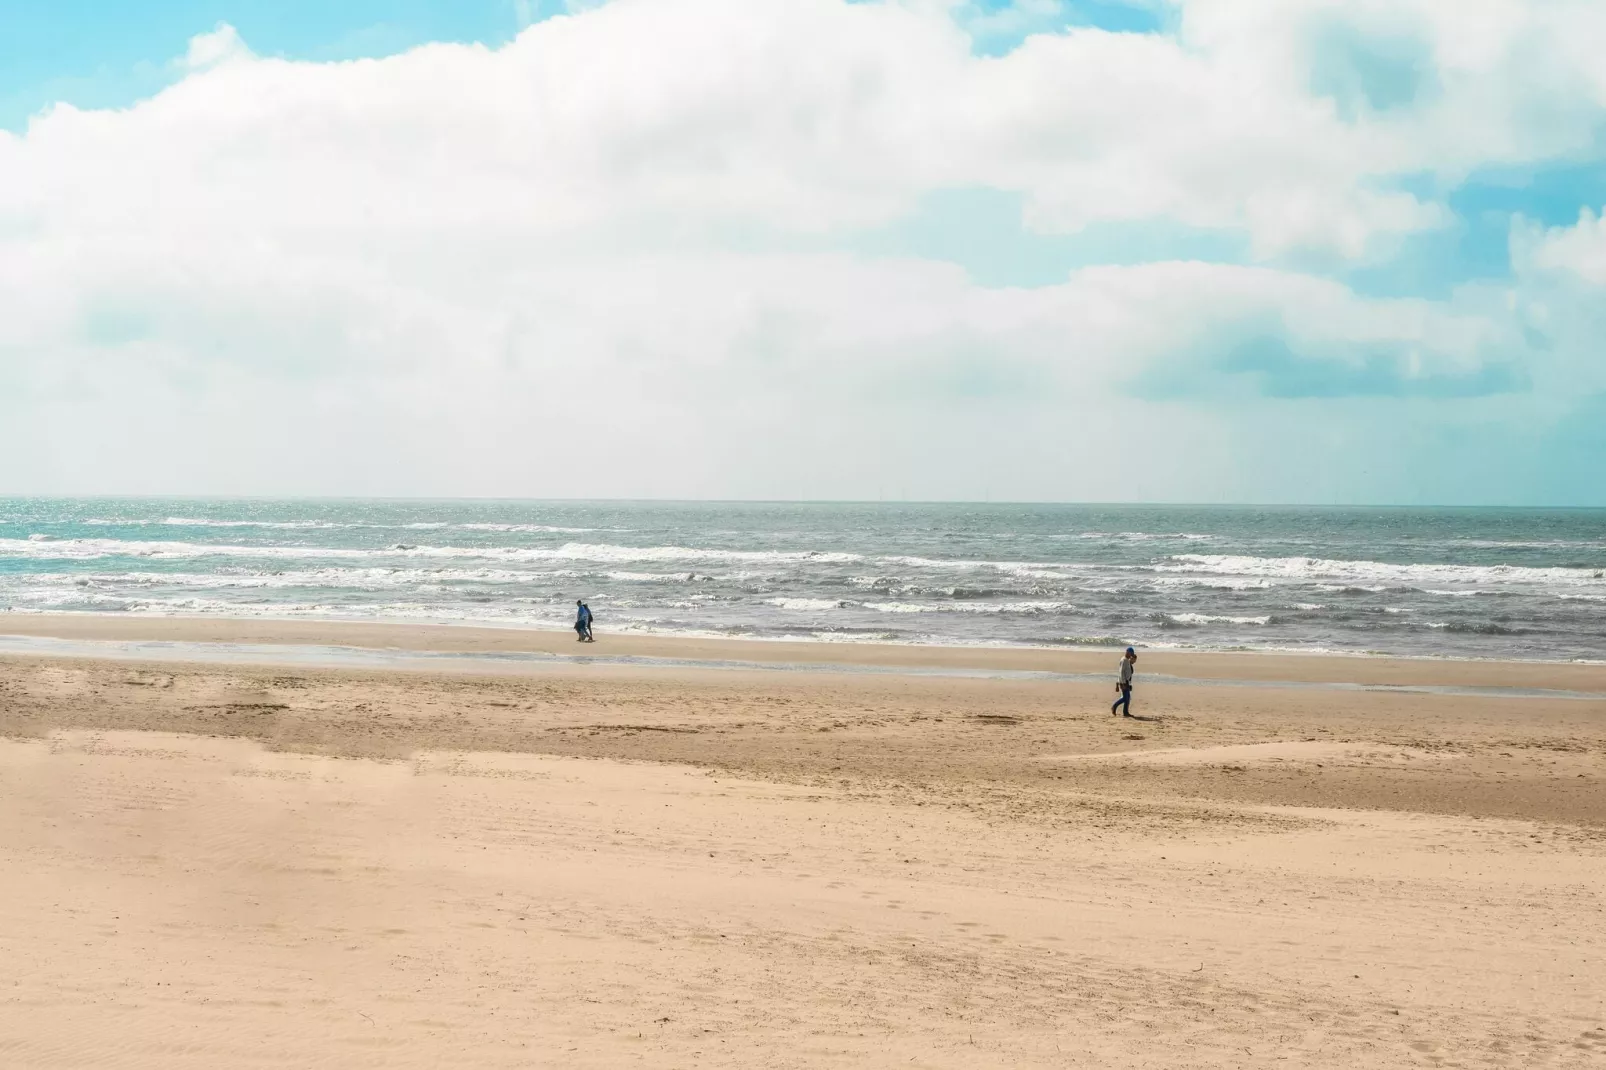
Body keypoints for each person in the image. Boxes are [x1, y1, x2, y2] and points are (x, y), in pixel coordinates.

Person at [1111, 646, 1137, 717]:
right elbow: (1121, 672)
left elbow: (1128, 670)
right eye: (1130, 654)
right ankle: (1114, 706)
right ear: (1127, 652)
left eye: (1131, 654)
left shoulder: (1127, 660)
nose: (1130, 655)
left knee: (1127, 698)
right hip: (1124, 682)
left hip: (1127, 681)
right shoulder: (1124, 660)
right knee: (1125, 698)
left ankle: (1125, 712)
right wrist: (1122, 683)